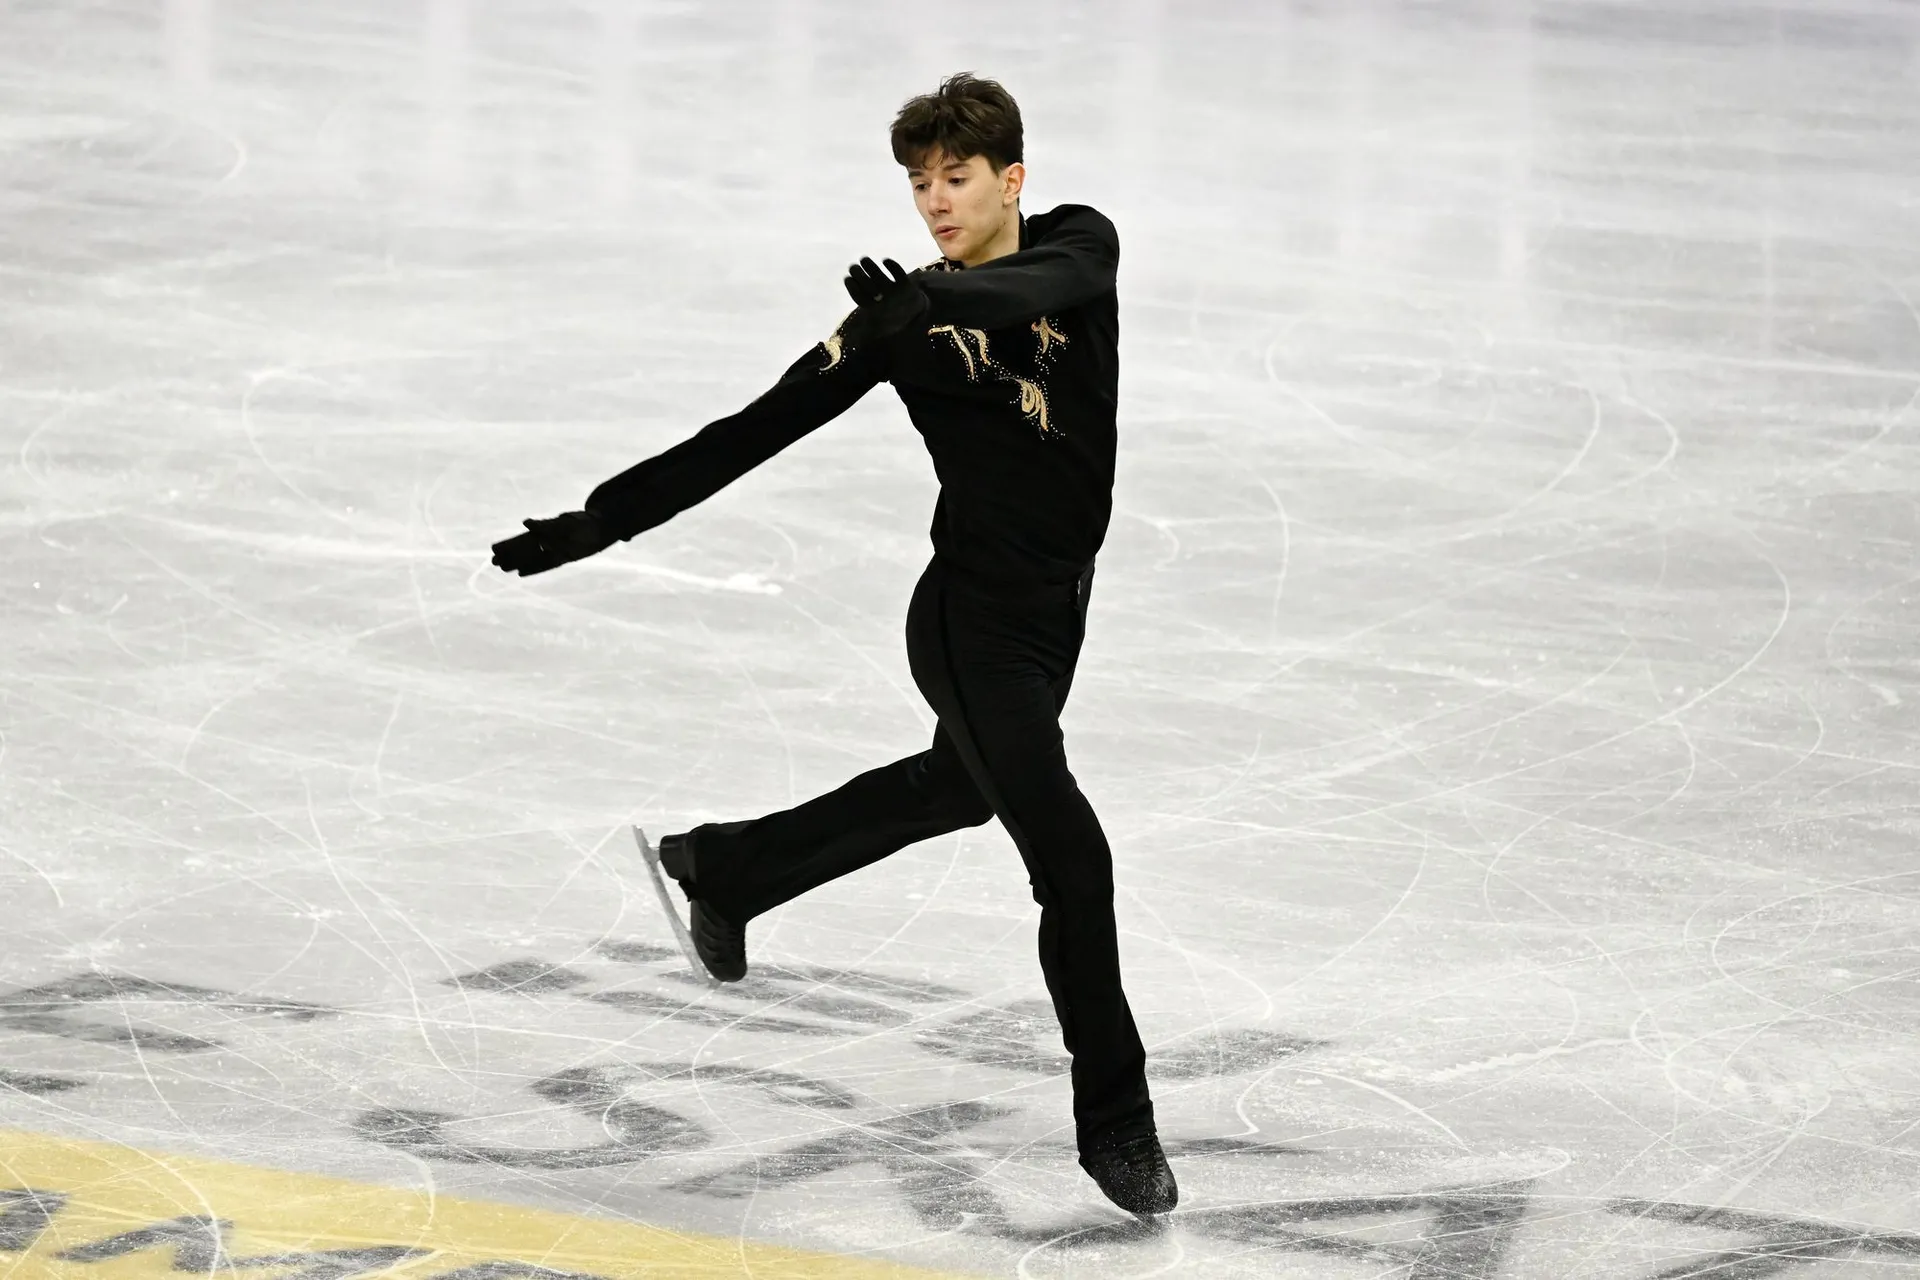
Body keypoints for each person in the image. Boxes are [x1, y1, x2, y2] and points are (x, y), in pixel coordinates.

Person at [491, 72, 1174, 1216]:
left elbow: (1048, 283)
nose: (936, 202)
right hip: (971, 624)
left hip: (1060, 610)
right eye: (919, 185)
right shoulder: (895, 323)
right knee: (1072, 859)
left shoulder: (1077, 242)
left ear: (1011, 177)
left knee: (961, 786)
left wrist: (939, 302)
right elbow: (754, 429)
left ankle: (730, 867)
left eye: (956, 178)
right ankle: (1117, 1119)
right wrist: (606, 517)